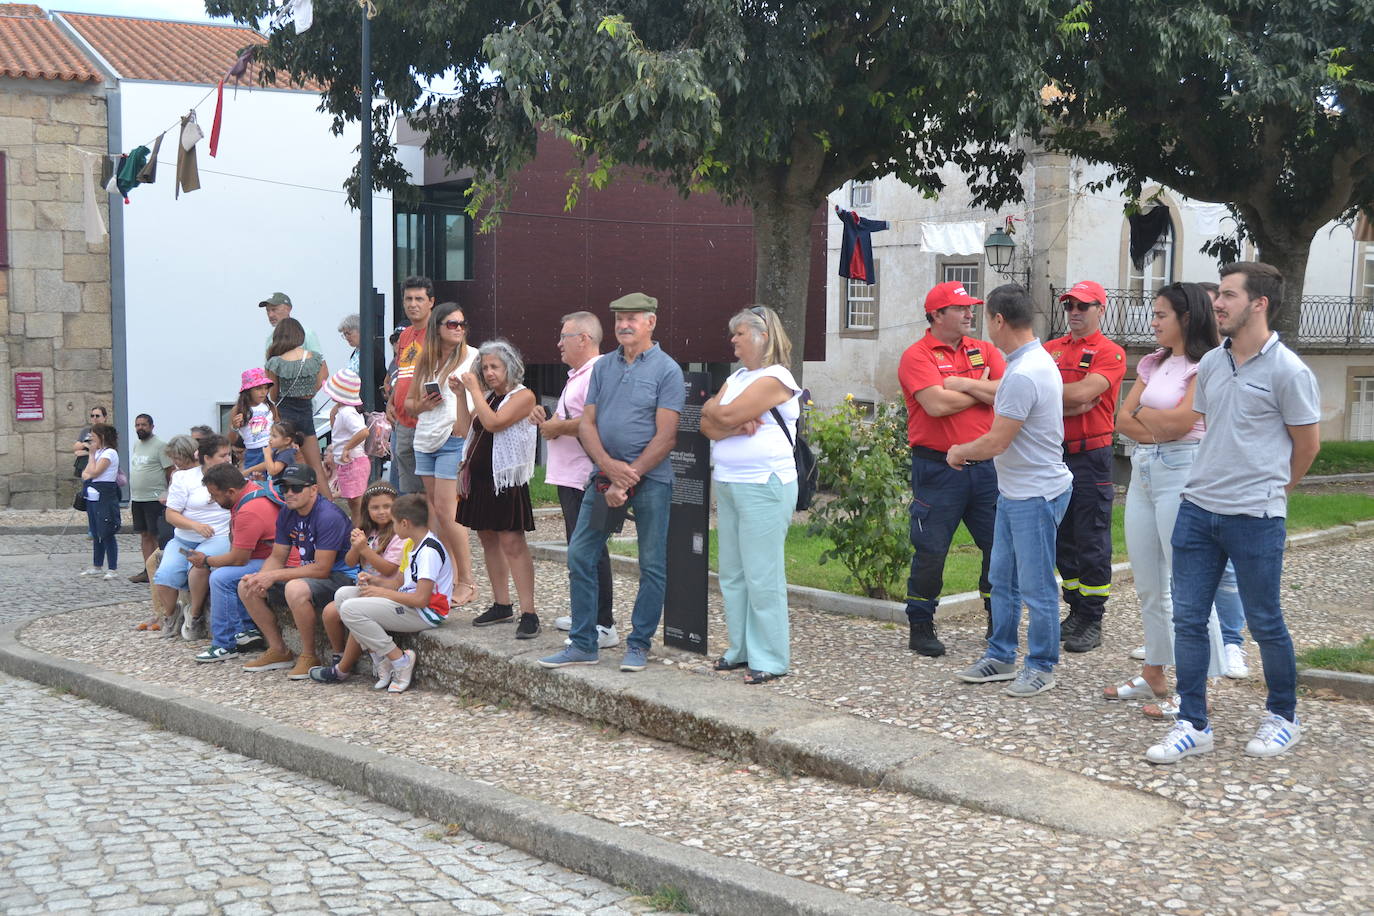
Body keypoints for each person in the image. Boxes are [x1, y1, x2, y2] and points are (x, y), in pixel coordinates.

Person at [1146, 262, 1321, 764]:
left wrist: (1272, 489)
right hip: (1198, 510)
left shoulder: (1289, 371)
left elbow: (1307, 445)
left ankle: (1283, 717)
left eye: (1227, 295)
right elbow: (1214, 430)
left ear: (1258, 304)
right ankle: (1193, 724)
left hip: (1255, 517)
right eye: (1218, 294)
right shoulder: (1213, 365)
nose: (1216, 304)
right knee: (1189, 620)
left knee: (1265, 622)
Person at [539, 292, 685, 672]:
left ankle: (638, 644)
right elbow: (587, 423)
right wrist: (608, 467)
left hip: (651, 480)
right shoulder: (603, 368)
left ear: (651, 322)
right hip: (603, 476)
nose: (624, 324)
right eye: (619, 317)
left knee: (651, 563)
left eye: (633, 317)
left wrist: (628, 474)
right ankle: (585, 641)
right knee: (581, 554)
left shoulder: (668, 370)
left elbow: (667, 437)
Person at [1107, 282, 1228, 712]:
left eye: (1161, 315)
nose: (1152, 321)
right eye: (1153, 313)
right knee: (1149, 583)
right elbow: (1121, 418)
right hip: (1143, 471)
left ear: (1187, 318)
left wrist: (1149, 420)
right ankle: (1154, 672)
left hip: (1182, 471)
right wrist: (1154, 424)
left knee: (1187, 583)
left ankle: (1200, 689)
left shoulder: (1208, 364)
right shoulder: (1154, 362)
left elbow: (1182, 423)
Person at [951, 284, 1073, 697]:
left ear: (999, 320)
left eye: (986, 320)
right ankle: (1001, 655)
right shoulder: (1030, 362)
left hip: (1035, 495)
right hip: (1015, 490)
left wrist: (959, 451)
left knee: (1037, 587)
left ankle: (1040, 665)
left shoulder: (1024, 372)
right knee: (1001, 577)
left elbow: (996, 442)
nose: (986, 329)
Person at [898, 281, 1007, 656]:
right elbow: (935, 406)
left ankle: (998, 621)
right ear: (936, 315)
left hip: (986, 466)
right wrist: (979, 388)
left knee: (999, 548)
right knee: (931, 549)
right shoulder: (917, 356)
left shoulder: (985, 349)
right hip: (938, 469)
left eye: (970, 308)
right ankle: (921, 624)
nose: (969, 314)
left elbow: (1005, 391)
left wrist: (959, 384)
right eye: (960, 309)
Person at [700, 306, 801, 684]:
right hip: (729, 481)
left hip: (764, 483)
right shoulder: (738, 376)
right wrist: (721, 416)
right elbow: (707, 425)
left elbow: (718, 417)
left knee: (762, 575)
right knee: (733, 573)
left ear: (762, 336)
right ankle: (740, 648)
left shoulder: (777, 377)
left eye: (739, 333)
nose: (733, 340)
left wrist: (718, 412)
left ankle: (771, 657)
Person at [1041, 281, 1127, 653]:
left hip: (1091, 456)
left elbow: (1080, 394)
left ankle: (1093, 617)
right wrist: (1070, 403)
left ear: (1100, 310)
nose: (1074, 312)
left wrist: (1057, 397)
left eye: (1083, 306)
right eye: (1069, 305)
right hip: (1054, 453)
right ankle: (1075, 610)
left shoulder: (1111, 352)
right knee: (1063, 540)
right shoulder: (1050, 350)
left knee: (1091, 539)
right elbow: (1038, 395)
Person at [308, 493, 452, 692]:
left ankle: (399, 660)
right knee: (343, 595)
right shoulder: (412, 543)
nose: (392, 527)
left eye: (394, 522)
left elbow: (421, 599)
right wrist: (374, 581)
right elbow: (398, 584)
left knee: (351, 609)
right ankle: (381, 658)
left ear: (404, 523)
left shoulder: (428, 551)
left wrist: (381, 594)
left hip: (426, 613)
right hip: (408, 604)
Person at [535, 311, 618, 648]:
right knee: (578, 549)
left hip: (586, 474)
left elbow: (596, 420)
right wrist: (545, 420)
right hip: (568, 474)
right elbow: (566, 417)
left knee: (592, 550)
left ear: (583, 339)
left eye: (564, 337)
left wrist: (557, 427)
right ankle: (585, 613)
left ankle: (604, 623)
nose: (558, 343)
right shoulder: (577, 375)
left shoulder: (598, 372)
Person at [237, 464, 357, 679]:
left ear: (313, 489)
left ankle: (309, 655)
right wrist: (260, 578)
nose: (289, 493)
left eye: (296, 488)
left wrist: (272, 576)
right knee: (247, 586)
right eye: (285, 488)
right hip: (311, 574)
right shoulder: (287, 511)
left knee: (295, 589)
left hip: (343, 578)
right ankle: (279, 651)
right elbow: (277, 556)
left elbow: (322, 569)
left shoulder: (328, 515)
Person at [454, 340, 539, 636]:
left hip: (505, 480)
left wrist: (475, 389)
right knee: (487, 539)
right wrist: (460, 396)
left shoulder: (523, 396)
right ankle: (501, 603)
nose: (489, 373)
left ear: (509, 368)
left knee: (513, 543)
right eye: (485, 367)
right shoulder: (487, 397)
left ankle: (529, 611)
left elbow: (494, 424)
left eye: (494, 367)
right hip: (481, 481)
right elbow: (465, 430)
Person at [407, 301, 479, 605]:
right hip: (425, 438)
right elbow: (409, 404)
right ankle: (445, 576)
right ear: (437, 327)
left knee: (450, 514)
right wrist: (424, 404)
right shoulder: (427, 359)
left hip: (453, 436)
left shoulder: (473, 357)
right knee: (435, 512)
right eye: (452, 324)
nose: (459, 329)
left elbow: (481, 397)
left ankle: (468, 581)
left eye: (462, 324)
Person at [190, 464, 288, 663]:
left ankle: (224, 644)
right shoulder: (252, 489)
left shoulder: (249, 510)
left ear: (231, 491)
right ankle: (247, 631)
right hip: (272, 556)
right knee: (227, 573)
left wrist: (206, 561)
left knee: (220, 577)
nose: (213, 500)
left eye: (215, 495)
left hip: (278, 561)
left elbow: (238, 559)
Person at [153, 434, 233, 638]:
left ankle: (195, 615)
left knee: (198, 566)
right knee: (164, 576)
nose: (228, 459)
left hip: (218, 536)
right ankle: (173, 614)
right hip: (184, 538)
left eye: (229, 454)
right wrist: (195, 526)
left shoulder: (233, 476)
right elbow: (171, 514)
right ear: (207, 458)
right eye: (223, 455)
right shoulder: (183, 478)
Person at [265, 316, 329, 487]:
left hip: (285, 415)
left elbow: (273, 395)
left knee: (285, 466)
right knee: (316, 466)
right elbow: (321, 380)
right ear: (299, 335)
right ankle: (330, 506)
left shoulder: (275, 362)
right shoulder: (314, 358)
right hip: (306, 412)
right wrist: (308, 394)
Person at [387, 276, 437, 493]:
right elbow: (403, 373)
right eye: (408, 299)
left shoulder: (440, 333)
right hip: (402, 422)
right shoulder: (406, 334)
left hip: (427, 421)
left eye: (419, 298)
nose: (413, 304)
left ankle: (433, 528)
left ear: (431, 302)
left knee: (431, 494)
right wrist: (391, 400)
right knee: (409, 494)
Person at [127, 413, 173, 583]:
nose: (140, 428)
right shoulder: (136, 445)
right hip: (138, 498)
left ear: (152, 426)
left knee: (156, 535)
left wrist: (168, 492)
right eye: (137, 425)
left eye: (144, 425)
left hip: (155, 498)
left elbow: (170, 471)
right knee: (144, 535)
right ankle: (148, 571)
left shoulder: (161, 446)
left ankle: (160, 571)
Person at [323, 368, 370, 525]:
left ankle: (358, 533)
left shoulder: (347, 412)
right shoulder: (343, 411)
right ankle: (357, 532)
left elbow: (363, 432)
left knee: (356, 504)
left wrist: (346, 448)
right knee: (353, 503)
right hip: (348, 463)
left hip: (353, 462)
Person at [78, 423, 122, 581]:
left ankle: (112, 567)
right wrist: (91, 457)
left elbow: (95, 472)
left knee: (107, 531)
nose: (91, 438)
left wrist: (91, 458)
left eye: (93, 435)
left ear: (101, 437)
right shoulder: (98, 453)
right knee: (96, 532)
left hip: (105, 496)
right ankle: (97, 565)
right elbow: (85, 473)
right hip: (92, 496)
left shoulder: (109, 453)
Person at [233, 368, 278, 480]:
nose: (263, 392)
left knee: (272, 482)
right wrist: (234, 427)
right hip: (252, 452)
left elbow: (279, 428)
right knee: (252, 483)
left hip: (272, 448)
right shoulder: (238, 409)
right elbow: (231, 439)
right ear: (248, 391)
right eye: (258, 388)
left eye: (266, 388)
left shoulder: (270, 407)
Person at [260, 291, 326, 362]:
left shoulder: (307, 334)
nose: (270, 315)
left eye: (274, 309)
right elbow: (268, 368)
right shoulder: (270, 338)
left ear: (288, 309)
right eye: (268, 310)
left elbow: (320, 365)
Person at [339, 312, 387, 408]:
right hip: (354, 400)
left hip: (368, 403)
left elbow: (379, 377)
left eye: (348, 333)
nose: (347, 337)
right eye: (344, 335)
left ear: (360, 330)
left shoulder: (373, 351)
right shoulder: (356, 352)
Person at [260, 421, 303, 485]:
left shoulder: (286, 454)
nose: (270, 439)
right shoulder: (276, 451)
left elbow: (273, 471)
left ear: (286, 440)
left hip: (283, 489)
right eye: (270, 435)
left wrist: (267, 455)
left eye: (274, 436)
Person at [73, 405, 108, 479]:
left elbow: (105, 449)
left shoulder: (108, 432)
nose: (94, 418)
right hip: (86, 467)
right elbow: (76, 447)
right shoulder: (86, 431)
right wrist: (85, 444)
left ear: (105, 418)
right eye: (92, 416)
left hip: (101, 466)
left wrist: (86, 452)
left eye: (97, 416)